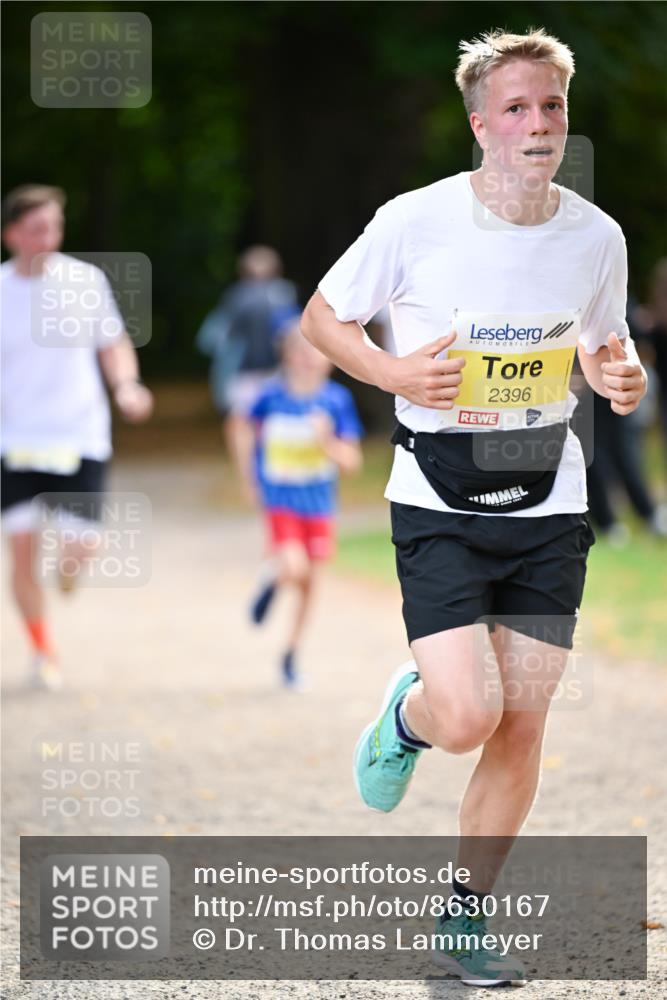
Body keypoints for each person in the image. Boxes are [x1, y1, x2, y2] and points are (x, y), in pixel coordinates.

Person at [301, 28, 647, 987]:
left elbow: (603, 344)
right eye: (516, 108)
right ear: (480, 125)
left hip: (548, 498)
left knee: (521, 725)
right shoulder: (414, 221)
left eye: (551, 106)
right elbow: (323, 318)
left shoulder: (596, 236)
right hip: (438, 496)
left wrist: (619, 376)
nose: (538, 124)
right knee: (464, 717)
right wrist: (390, 371)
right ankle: (406, 718)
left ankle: (463, 918)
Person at [1, 184, 153, 690]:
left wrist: (126, 385)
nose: (49, 237)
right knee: (21, 549)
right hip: (15, 440)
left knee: (84, 543)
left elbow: (112, 343)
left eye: (55, 227)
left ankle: (68, 569)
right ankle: (43, 651)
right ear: (11, 234)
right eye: (37, 228)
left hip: (78, 434)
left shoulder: (85, 281)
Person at [239, 312, 362, 687]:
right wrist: (249, 476)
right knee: (294, 566)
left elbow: (352, 462)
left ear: (330, 356)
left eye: (316, 350)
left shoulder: (336, 401)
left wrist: (326, 442)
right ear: (286, 354)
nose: (308, 358)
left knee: (309, 584)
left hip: (319, 506)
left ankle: (291, 654)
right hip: (280, 501)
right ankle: (275, 576)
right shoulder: (270, 397)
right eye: (299, 350)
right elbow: (240, 426)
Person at [196, 245, 297, 475]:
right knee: (263, 420)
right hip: (270, 372)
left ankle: (250, 472)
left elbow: (213, 338)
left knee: (243, 421)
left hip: (250, 373)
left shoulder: (237, 296)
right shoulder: (283, 294)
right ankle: (264, 469)